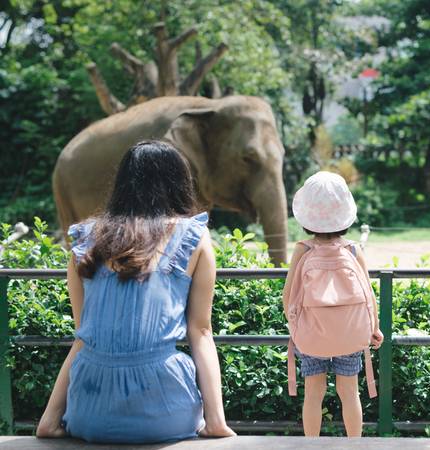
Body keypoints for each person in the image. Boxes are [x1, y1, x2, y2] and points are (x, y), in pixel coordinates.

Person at [36, 140, 235, 443]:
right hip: (165, 412)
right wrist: (216, 422)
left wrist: (49, 419)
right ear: (179, 183)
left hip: (90, 411)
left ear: (123, 184)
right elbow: (201, 331)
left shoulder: (85, 240)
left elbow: (84, 336)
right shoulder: (193, 235)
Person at [283, 171, 383, 437]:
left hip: (311, 334)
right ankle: (354, 445)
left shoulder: (303, 249)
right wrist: (374, 327)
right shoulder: (352, 250)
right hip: (351, 333)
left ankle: (312, 446)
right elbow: (369, 295)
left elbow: (288, 295)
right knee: (349, 393)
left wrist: (295, 328)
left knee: (314, 394)